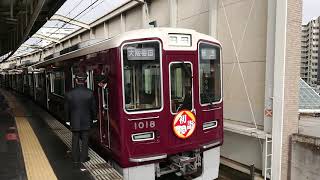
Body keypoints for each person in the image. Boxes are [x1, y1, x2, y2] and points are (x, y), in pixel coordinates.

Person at [64, 72, 97, 168]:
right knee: (85, 139)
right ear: (85, 81)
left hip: (74, 120)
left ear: (76, 80)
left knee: (75, 138)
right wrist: (94, 118)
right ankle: (84, 158)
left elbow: (67, 108)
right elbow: (93, 108)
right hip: (86, 120)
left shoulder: (69, 93)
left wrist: (67, 120)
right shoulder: (90, 93)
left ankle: (75, 158)